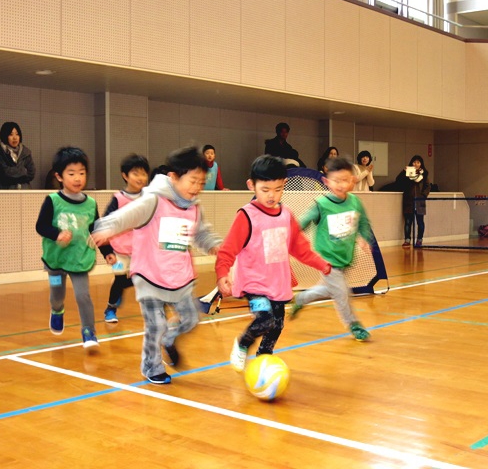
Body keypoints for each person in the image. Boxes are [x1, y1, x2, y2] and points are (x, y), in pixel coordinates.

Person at [91, 146, 221, 385]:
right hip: (149, 274)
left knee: (191, 320)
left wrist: (215, 246)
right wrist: (106, 228)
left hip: (178, 275)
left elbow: (201, 234)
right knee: (156, 324)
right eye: (192, 181)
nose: (196, 187)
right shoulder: (153, 200)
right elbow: (127, 215)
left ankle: (169, 340)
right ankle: (152, 367)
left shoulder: (194, 207)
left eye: (201, 183)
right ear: (173, 177)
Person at [215, 155, 331, 372]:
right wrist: (222, 273)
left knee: (277, 325)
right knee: (265, 320)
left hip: (277, 284)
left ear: (284, 185)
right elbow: (228, 249)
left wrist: (321, 263)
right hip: (254, 285)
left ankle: (263, 358)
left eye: (277, 189)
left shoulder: (286, 215)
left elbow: (300, 248)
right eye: (265, 189)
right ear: (252, 185)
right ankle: (242, 344)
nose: (271, 195)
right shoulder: (247, 216)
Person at [288, 157, 372, 341]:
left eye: (345, 180)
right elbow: (303, 221)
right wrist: (290, 235)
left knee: (330, 290)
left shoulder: (355, 203)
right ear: (326, 181)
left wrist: (364, 239)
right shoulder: (322, 204)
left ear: (353, 181)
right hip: (326, 260)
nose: (341, 185)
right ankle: (353, 325)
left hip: (345, 258)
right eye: (336, 180)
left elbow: (363, 222)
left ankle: (302, 299)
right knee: (342, 293)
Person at [35, 147, 104, 351]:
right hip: (55, 261)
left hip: (79, 260)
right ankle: (57, 311)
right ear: (59, 176)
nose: (77, 178)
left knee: (83, 295)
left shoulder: (90, 204)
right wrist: (57, 234)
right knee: (57, 294)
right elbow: (41, 226)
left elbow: (96, 230)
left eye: (82, 173)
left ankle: (89, 331)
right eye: (71, 173)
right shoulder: (52, 201)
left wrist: (108, 253)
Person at [101, 154, 150, 324]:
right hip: (119, 249)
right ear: (125, 175)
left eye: (144, 173)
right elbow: (105, 222)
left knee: (143, 279)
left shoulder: (149, 198)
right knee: (120, 279)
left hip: (140, 250)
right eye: (136, 173)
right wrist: (107, 251)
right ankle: (110, 308)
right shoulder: (118, 198)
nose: (141, 178)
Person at [395, 155, 430, 248]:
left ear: (421, 164)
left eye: (418, 162)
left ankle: (419, 240)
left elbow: (428, 186)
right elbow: (397, 181)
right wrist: (403, 171)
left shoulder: (424, 174)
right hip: (408, 201)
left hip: (420, 202)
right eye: (414, 162)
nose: (416, 164)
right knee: (408, 222)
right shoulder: (407, 173)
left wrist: (423, 196)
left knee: (420, 222)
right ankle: (407, 240)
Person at [0, 122, 36, 189]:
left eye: (17, 134)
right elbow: (4, 173)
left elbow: (31, 173)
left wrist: (14, 174)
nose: (15, 138)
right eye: (11, 134)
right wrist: (23, 171)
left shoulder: (26, 152)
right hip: (6, 193)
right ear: (5, 135)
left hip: (25, 192)